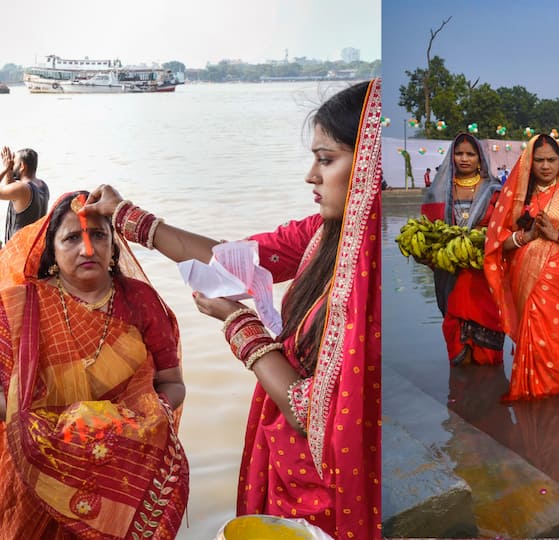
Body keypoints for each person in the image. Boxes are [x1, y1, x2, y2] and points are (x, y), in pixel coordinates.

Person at [83, 79, 382, 539]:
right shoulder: (324, 234)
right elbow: (230, 262)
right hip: (288, 466)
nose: (311, 175)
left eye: (326, 159)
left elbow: (312, 413)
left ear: (369, 164)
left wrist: (239, 324)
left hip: (331, 488)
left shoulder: (374, 273)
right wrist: (127, 216)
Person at [0, 190, 189, 538]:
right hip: (41, 470)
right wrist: (43, 430)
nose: (88, 249)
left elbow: (172, 383)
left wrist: (137, 424)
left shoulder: (141, 301)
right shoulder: (21, 307)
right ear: (51, 250)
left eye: (99, 235)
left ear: (113, 245)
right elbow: (3, 396)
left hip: (121, 470)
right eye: (72, 237)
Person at [484, 134, 559, 400]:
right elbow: (496, 242)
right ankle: (532, 394)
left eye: (551, 160)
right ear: (529, 162)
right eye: (539, 160)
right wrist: (524, 238)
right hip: (526, 283)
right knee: (532, 339)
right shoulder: (517, 196)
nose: (546, 166)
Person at [421, 132, 505, 366]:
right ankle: (460, 396)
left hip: (484, 273)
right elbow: (427, 230)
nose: (464, 158)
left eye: (470, 154)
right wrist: (430, 255)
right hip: (450, 272)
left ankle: (488, 394)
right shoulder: (437, 191)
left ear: (480, 159)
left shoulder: (495, 191)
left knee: (487, 350)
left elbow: (504, 229)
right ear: (451, 157)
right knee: (457, 336)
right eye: (459, 153)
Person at [0, 147, 50, 244]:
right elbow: (10, 188)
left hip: (17, 252)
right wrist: (10, 171)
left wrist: (5, 169)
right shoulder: (43, 187)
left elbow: (13, 189)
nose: (11, 165)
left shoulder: (22, 189)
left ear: (22, 166)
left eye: (13, 164)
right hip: (33, 247)